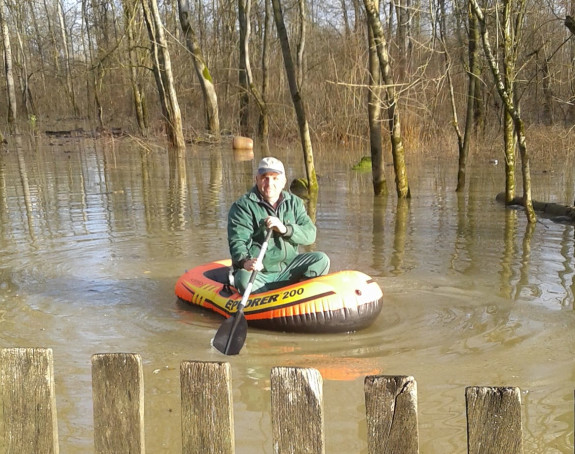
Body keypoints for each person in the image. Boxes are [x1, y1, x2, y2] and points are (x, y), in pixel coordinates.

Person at [228, 157, 330, 294]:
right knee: (243, 278)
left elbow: (310, 234)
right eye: (265, 178)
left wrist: (285, 229)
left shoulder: (295, 203)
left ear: (283, 182)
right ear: (256, 179)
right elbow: (237, 241)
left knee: (321, 260)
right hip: (260, 273)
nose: (269, 183)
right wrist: (246, 262)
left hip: (289, 269)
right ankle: (263, 294)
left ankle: (297, 291)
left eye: (275, 178)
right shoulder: (242, 206)